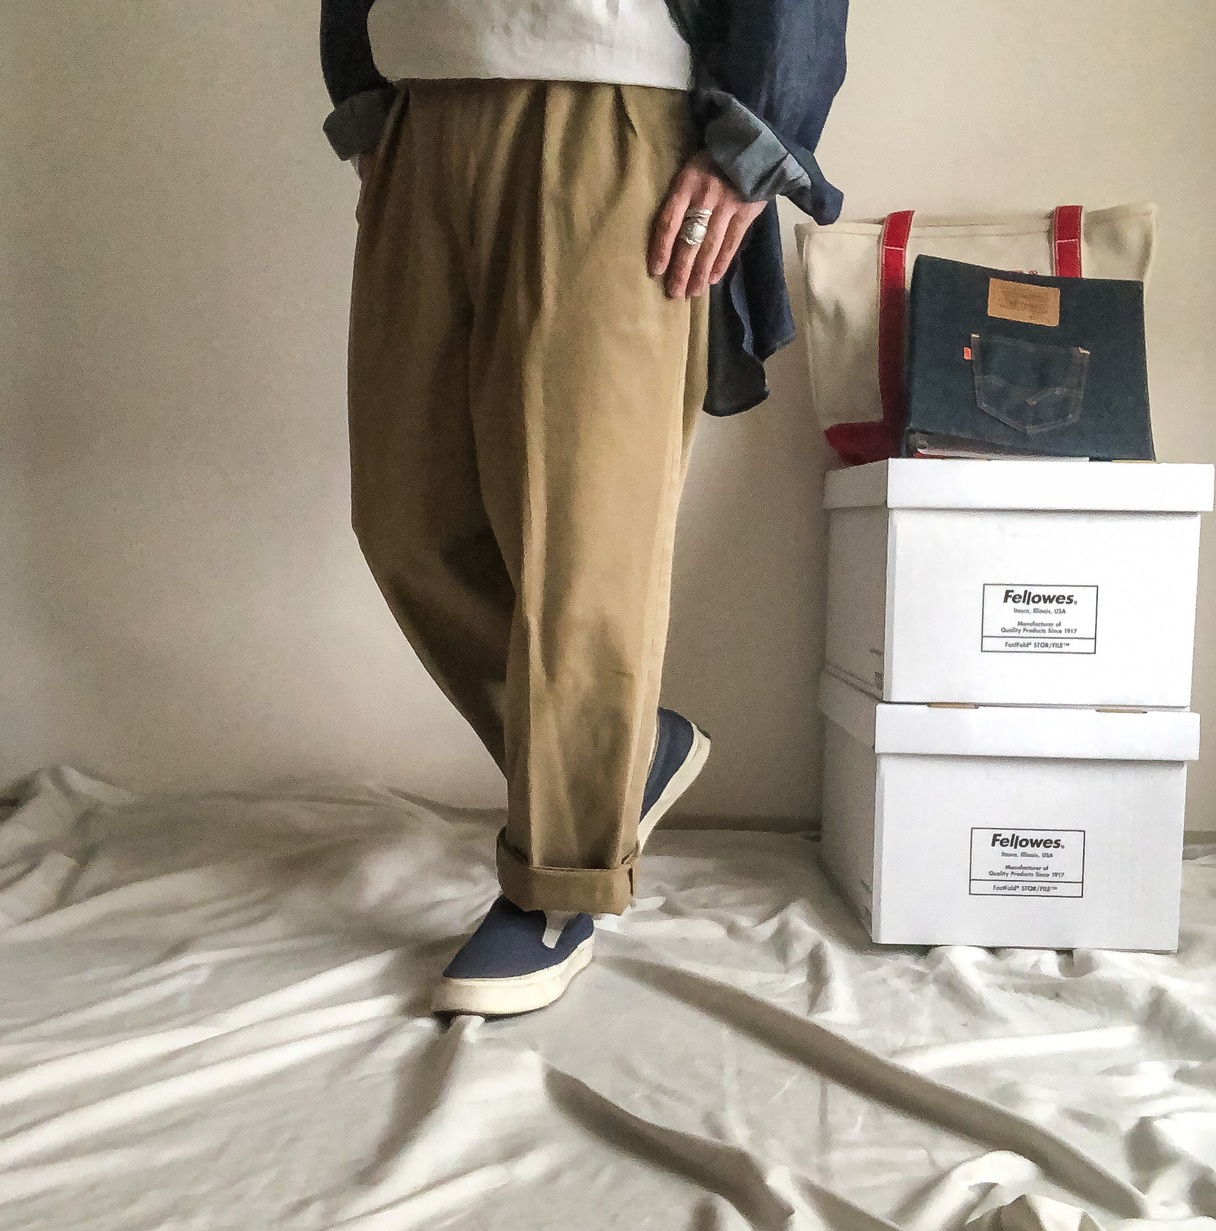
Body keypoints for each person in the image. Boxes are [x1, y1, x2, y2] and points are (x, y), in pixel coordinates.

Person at [319, 0, 848, 1016]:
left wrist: (754, 135)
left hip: (609, 109)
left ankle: (560, 880)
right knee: (405, 518)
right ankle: (626, 752)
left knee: (582, 535)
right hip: (420, 108)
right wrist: (365, 102)